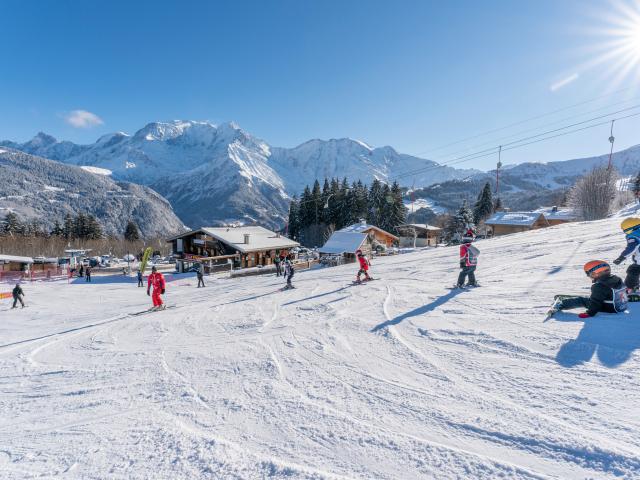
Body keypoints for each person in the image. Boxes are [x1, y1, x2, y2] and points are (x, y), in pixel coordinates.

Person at [550, 260, 627, 318]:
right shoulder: (616, 278)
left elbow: (596, 302)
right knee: (594, 296)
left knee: (582, 300)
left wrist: (590, 313)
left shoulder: (599, 286)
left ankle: (561, 304)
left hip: (609, 308)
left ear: (596, 273)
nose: (589, 276)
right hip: (620, 306)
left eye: (590, 274)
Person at [613, 217, 640, 292]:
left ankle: (630, 289)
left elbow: (632, 247)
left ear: (633, 228)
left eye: (626, 231)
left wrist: (621, 257)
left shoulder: (634, 235)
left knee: (633, 271)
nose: (626, 233)